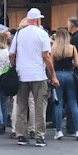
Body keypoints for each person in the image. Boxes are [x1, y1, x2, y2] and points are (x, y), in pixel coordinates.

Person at [9, 8, 58, 147]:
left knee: (21, 107)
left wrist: (14, 66)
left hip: (21, 75)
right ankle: (39, 136)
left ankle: (21, 135)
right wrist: (53, 75)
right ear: (38, 20)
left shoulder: (18, 34)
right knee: (39, 107)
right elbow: (46, 56)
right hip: (38, 74)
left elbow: (11, 55)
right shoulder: (43, 34)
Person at [50, 29, 78, 141]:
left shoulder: (54, 49)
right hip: (70, 74)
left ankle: (58, 131)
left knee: (58, 103)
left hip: (58, 75)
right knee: (73, 103)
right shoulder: (72, 48)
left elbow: (51, 65)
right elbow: (77, 64)